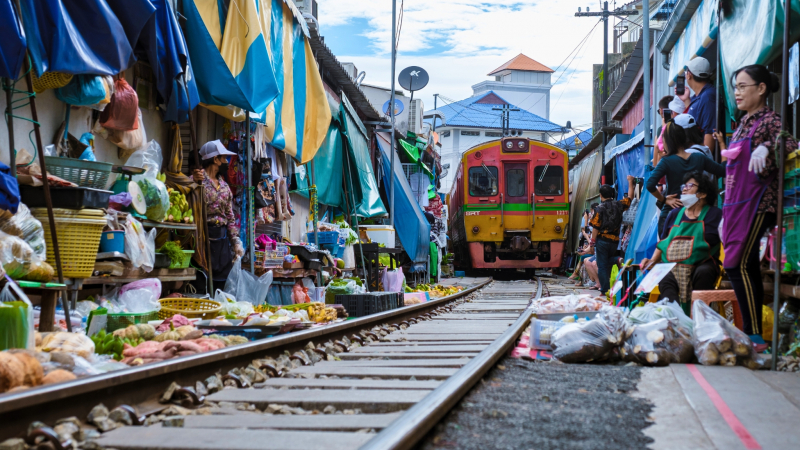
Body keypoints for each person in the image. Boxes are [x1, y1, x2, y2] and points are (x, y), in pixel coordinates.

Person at [712, 64, 799, 350]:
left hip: (760, 204)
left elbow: (787, 142)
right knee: (737, 265)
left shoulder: (769, 121)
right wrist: (725, 214)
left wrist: (768, 147)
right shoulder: (742, 125)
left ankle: (753, 334)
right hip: (736, 206)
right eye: (735, 86)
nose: (737, 92)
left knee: (739, 263)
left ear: (761, 89)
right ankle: (752, 333)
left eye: (742, 86)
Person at [640, 172, 722, 314]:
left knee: (704, 273)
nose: (684, 189)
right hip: (673, 265)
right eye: (683, 186)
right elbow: (664, 243)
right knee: (664, 277)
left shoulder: (714, 214)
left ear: (702, 194)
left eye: (690, 186)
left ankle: (698, 317)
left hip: (702, 263)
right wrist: (652, 260)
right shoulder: (674, 215)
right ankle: (675, 319)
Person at [646, 120, 726, 236]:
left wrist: (664, 200)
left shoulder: (666, 162)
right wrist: (722, 144)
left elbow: (650, 184)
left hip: (671, 215)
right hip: (696, 215)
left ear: (668, 141)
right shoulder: (699, 158)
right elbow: (723, 170)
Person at [192, 140, 245, 292]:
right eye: (224, 158)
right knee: (202, 284)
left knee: (220, 286)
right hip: (203, 239)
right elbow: (187, 196)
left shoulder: (225, 187)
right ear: (215, 160)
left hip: (221, 243)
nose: (227, 162)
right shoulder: (197, 181)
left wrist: (235, 242)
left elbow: (229, 217)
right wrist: (193, 182)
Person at [589, 176, 636, 296]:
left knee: (602, 265)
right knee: (607, 263)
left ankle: (604, 290)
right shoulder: (619, 205)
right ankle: (615, 260)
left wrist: (592, 243)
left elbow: (596, 227)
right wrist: (630, 182)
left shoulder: (599, 209)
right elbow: (630, 198)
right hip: (615, 241)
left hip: (602, 240)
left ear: (600, 195)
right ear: (612, 194)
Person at [675, 57, 717, 150]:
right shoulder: (699, 96)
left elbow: (709, 132)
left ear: (689, 75)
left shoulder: (708, 96)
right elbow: (694, 120)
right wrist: (686, 100)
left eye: (686, 71)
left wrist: (704, 160)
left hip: (699, 158)